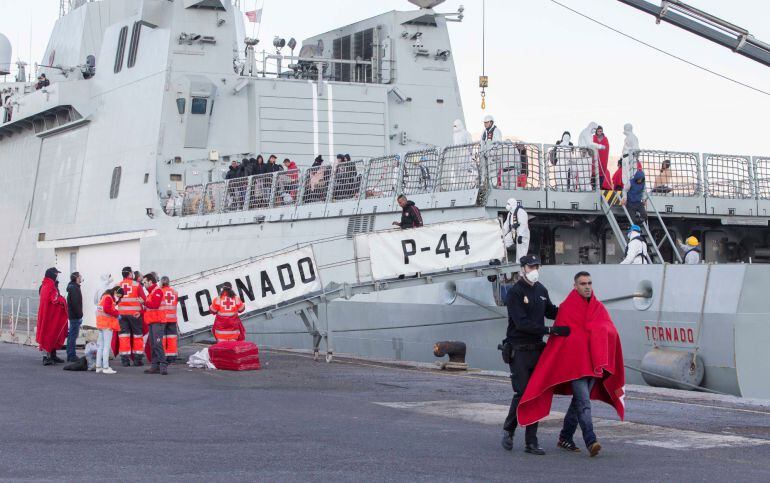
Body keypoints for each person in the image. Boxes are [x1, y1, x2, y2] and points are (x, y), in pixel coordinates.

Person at [517, 272, 626, 458]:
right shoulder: (567, 308)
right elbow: (563, 338)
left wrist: (601, 335)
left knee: (578, 403)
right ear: (575, 286)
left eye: (590, 283)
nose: (587, 287)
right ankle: (591, 441)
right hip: (575, 367)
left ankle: (565, 437)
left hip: (592, 365)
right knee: (583, 403)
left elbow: (610, 329)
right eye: (583, 283)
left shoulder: (598, 307)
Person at [500, 255, 567, 455]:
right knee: (522, 393)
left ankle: (531, 441)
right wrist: (549, 331)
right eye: (531, 266)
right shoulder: (515, 292)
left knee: (536, 394)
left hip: (537, 350)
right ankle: (509, 430)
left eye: (537, 265)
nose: (534, 269)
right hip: (519, 349)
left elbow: (552, 311)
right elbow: (521, 323)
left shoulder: (541, 290)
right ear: (523, 268)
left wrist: (572, 309)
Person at [143, 276, 178, 375]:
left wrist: (144, 303)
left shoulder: (157, 291)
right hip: (153, 321)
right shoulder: (152, 292)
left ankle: (163, 365)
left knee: (157, 344)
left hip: (158, 321)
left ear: (150, 282)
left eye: (145, 282)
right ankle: (155, 366)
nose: (144, 285)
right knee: (153, 344)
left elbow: (154, 305)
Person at [36, 267, 69, 366]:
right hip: (50, 315)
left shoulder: (46, 285)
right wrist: (62, 300)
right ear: (52, 275)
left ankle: (52, 355)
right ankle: (46, 357)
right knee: (48, 335)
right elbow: (54, 299)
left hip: (50, 314)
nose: (57, 276)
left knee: (53, 334)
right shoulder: (49, 286)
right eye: (56, 274)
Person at [117, 266, 147, 366]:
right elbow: (144, 299)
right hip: (135, 315)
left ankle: (125, 360)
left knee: (124, 337)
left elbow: (114, 301)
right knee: (137, 336)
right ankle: (137, 359)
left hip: (122, 315)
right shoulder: (137, 285)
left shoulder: (117, 285)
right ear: (130, 274)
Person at [95, 287, 123, 375]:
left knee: (101, 346)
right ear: (115, 292)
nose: (117, 298)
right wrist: (117, 314)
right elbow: (107, 310)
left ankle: (98, 366)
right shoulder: (108, 298)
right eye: (118, 296)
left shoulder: (104, 297)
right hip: (107, 325)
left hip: (101, 324)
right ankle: (106, 367)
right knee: (106, 346)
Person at [577, 122, 604, 191]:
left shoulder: (589, 134)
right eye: (594, 129)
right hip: (584, 155)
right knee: (584, 172)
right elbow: (589, 143)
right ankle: (584, 188)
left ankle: (586, 187)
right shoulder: (586, 132)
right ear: (591, 127)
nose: (595, 131)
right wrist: (599, 146)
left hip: (587, 155)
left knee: (588, 172)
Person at [502, 198, 529, 263]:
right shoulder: (510, 214)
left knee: (521, 255)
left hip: (522, 234)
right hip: (513, 232)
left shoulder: (521, 211)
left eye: (508, 204)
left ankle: (521, 272)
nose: (507, 205)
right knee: (502, 243)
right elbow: (506, 226)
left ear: (512, 204)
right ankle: (497, 260)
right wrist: (501, 234)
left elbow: (523, 224)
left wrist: (520, 235)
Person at [65, 272, 84, 362]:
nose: (81, 278)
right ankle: (71, 355)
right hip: (75, 316)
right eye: (80, 276)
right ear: (76, 278)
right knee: (73, 336)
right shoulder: (75, 289)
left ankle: (70, 354)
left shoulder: (73, 288)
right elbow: (76, 304)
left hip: (73, 315)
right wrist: (80, 315)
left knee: (72, 335)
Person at [621, 123, 640, 195]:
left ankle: (631, 189)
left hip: (630, 159)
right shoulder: (628, 137)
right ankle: (626, 189)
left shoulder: (633, 137)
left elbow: (636, 149)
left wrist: (632, 159)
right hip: (626, 159)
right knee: (626, 177)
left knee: (630, 176)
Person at [593, 126, 611, 190]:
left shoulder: (605, 139)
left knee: (601, 176)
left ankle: (600, 189)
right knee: (593, 176)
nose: (599, 132)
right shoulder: (593, 138)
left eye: (601, 131)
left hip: (603, 160)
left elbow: (607, 148)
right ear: (596, 131)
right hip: (594, 159)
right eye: (598, 131)